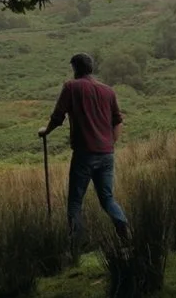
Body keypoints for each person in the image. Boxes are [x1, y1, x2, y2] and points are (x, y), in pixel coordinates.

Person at [38, 53, 128, 252]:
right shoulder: (108, 91)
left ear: (75, 68)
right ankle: (123, 227)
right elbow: (118, 121)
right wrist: (110, 143)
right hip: (106, 154)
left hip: (84, 154)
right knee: (107, 198)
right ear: (91, 68)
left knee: (75, 202)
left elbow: (58, 116)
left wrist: (46, 131)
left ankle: (76, 247)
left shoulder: (71, 87)